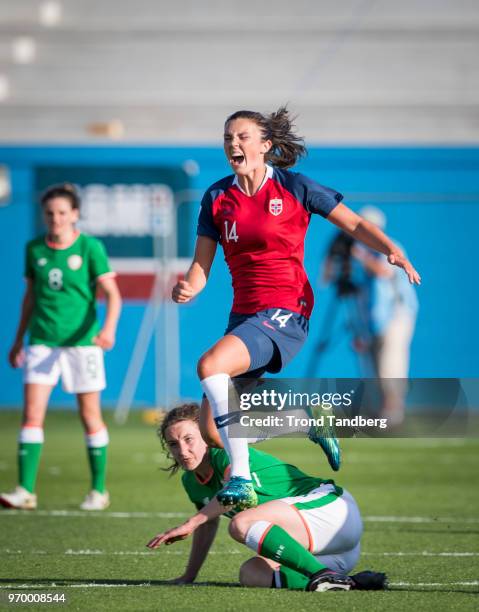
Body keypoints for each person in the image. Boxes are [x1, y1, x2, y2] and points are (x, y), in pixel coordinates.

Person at [171, 107, 420, 509]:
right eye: (228, 138)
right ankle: (309, 419)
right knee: (212, 433)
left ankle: (241, 478)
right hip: (246, 315)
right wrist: (189, 288)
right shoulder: (217, 197)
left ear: (266, 145)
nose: (234, 144)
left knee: (209, 366)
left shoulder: (294, 186)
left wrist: (390, 250)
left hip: (287, 309)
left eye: (243, 136)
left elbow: (354, 225)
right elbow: (201, 267)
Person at [146, 404, 386, 593]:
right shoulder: (191, 481)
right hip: (334, 554)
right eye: (173, 444)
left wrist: (190, 522)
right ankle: (343, 580)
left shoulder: (226, 454)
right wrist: (189, 576)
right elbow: (208, 524)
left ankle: (309, 418)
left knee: (241, 523)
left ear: (207, 437)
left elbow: (233, 494)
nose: (182, 451)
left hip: (333, 512)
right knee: (252, 573)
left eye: (189, 439)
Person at [0, 183, 122, 511]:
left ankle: (98, 491)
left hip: (83, 345)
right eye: (50, 213)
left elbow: (113, 294)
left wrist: (108, 329)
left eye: (62, 213)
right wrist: (17, 340)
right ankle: (25, 490)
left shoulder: (89, 248)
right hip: (42, 343)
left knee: (89, 415)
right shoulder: (35, 250)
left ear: (75, 215)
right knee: (32, 415)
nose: (56, 219)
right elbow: (30, 298)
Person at [350, 206, 419, 424]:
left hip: (396, 314)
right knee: (375, 365)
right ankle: (381, 410)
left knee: (391, 363)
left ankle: (393, 411)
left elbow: (384, 271)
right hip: (374, 318)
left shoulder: (389, 247)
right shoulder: (360, 252)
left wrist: (360, 256)